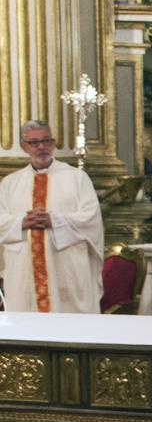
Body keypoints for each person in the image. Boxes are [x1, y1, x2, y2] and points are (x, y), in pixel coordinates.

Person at [0, 120, 103, 313]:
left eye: (46, 141)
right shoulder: (10, 183)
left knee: (69, 321)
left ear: (54, 143)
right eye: (34, 142)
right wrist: (22, 222)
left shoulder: (77, 178)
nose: (41, 147)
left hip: (66, 267)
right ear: (24, 147)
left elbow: (90, 218)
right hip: (24, 269)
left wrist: (54, 221)